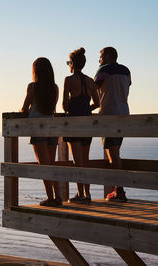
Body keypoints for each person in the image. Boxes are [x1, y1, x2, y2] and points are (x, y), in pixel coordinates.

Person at [20, 57, 62, 207]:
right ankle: (58, 196)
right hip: (52, 127)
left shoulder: (33, 87)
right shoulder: (55, 87)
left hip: (38, 129)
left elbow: (25, 107)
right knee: (51, 164)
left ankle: (51, 198)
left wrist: (22, 111)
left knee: (44, 165)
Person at [62, 48, 100, 204]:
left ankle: (80, 194)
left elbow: (64, 105)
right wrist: (86, 110)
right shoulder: (91, 81)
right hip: (87, 122)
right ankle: (88, 193)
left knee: (77, 161)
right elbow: (97, 103)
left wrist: (73, 109)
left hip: (74, 122)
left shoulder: (69, 80)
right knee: (85, 159)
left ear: (72, 64)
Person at [94, 47, 131, 202]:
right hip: (123, 112)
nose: (99, 60)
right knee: (116, 152)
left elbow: (93, 88)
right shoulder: (126, 70)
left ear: (108, 56)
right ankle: (117, 189)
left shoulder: (103, 70)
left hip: (108, 115)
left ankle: (119, 191)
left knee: (113, 155)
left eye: (101, 56)